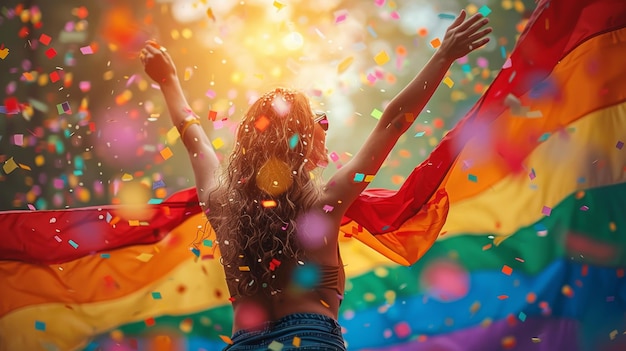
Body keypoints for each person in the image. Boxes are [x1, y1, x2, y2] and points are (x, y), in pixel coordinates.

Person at [140, 9, 491, 351]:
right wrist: (444, 55)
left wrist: (168, 81)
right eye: (318, 122)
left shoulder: (221, 202)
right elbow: (393, 121)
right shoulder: (325, 202)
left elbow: (193, 137)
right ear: (302, 138)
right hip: (310, 340)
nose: (325, 127)